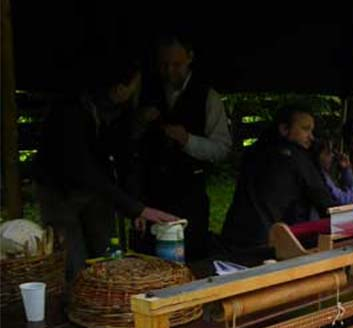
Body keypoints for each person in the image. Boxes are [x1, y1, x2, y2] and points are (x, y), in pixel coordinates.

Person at [33, 56, 177, 282]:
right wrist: (134, 207)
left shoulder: (119, 111)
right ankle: (77, 303)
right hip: (59, 190)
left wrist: (134, 203)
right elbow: (80, 168)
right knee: (72, 260)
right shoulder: (70, 110)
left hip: (98, 189)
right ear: (119, 88)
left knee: (107, 256)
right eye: (133, 85)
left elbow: (124, 155)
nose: (136, 90)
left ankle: (108, 301)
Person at [135, 34, 232, 261]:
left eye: (176, 64)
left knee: (192, 258)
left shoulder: (208, 97)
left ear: (190, 58)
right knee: (149, 261)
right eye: (163, 65)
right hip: (151, 194)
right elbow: (128, 143)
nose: (169, 71)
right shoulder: (144, 92)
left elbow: (221, 150)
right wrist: (139, 123)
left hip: (190, 194)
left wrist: (188, 140)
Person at [221, 105, 334, 250]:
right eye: (305, 129)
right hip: (269, 243)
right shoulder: (297, 157)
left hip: (232, 235)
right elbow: (324, 202)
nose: (311, 137)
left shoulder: (253, 151)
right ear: (284, 129)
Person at [314, 135, 353, 205]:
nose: (332, 156)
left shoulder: (326, 173)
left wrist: (346, 170)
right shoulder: (320, 176)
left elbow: (347, 189)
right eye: (327, 153)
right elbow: (342, 199)